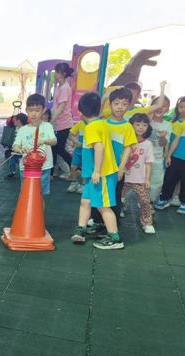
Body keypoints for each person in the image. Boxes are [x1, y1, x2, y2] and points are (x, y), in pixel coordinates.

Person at [71, 92, 123, 250]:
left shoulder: (92, 127)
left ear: (80, 112)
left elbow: (99, 148)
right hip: (94, 174)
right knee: (86, 201)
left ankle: (115, 238)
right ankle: (81, 229)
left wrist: (97, 172)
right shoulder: (101, 123)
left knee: (103, 206)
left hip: (102, 174)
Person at [12, 94, 57, 200]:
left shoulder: (47, 126)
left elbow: (54, 141)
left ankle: (40, 211)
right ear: (26, 110)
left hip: (44, 167)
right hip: (26, 168)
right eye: (31, 110)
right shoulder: (22, 130)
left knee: (40, 196)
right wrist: (20, 149)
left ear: (43, 110)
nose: (34, 113)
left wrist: (44, 141)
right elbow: (15, 146)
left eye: (37, 110)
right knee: (27, 195)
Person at [105, 88, 138, 218]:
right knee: (99, 193)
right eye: (116, 103)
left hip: (117, 168)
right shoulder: (102, 124)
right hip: (102, 167)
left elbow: (128, 148)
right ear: (110, 104)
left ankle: (114, 221)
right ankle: (96, 218)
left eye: (124, 104)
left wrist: (121, 168)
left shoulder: (127, 127)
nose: (120, 107)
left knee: (115, 194)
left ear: (129, 106)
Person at [120, 114, 155, 234]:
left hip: (140, 179)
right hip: (123, 177)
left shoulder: (148, 144)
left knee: (145, 201)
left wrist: (147, 179)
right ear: (131, 125)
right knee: (117, 198)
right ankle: (114, 214)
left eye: (144, 125)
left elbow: (149, 163)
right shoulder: (124, 141)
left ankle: (147, 223)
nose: (141, 127)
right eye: (138, 124)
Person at [50, 63, 75, 179]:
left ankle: (75, 169)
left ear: (63, 74)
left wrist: (52, 120)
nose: (55, 73)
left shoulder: (65, 88)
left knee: (59, 149)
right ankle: (52, 173)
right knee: (54, 148)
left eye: (57, 71)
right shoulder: (60, 86)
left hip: (63, 123)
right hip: (58, 123)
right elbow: (56, 105)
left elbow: (61, 106)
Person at [148, 95, 173, 202]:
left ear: (167, 109)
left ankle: (150, 202)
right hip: (141, 157)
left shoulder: (167, 125)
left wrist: (162, 137)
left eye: (164, 106)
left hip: (157, 158)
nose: (160, 108)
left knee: (156, 182)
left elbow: (163, 144)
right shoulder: (146, 120)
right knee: (137, 180)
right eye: (157, 105)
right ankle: (131, 201)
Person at [4, 113, 27, 178]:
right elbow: (10, 123)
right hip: (17, 150)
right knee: (12, 159)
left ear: (18, 121)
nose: (13, 121)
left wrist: (19, 148)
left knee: (21, 161)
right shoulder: (17, 127)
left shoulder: (24, 130)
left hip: (22, 151)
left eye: (15, 120)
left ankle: (23, 173)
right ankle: (13, 173)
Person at [67, 119, 87, 194]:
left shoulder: (95, 123)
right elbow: (70, 134)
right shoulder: (80, 123)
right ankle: (74, 182)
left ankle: (84, 185)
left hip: (88, 150)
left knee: (85, 168)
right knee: (73, 166)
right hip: (78, 150)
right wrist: (75, 142)